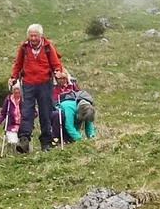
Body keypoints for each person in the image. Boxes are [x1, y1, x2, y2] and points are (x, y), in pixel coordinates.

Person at [9, 23, 66, 152]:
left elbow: (56, 63)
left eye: (35, 36)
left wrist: (57, 72)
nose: (33, 38)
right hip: (28, 84)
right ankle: (24, 140)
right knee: (26, 112)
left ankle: (46, 142)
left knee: (45, 113)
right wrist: (13, 77)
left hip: (45, 84)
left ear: (41, 35)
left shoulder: (48, 47)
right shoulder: (23, 48)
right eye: (31, 36)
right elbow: (18, 64)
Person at [57, 72, 96, 141]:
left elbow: (89, 125)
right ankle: (64, 139)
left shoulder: (87, 109)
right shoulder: (70, 108)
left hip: (75, 116)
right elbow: (69, 126)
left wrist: (92, 137)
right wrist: (79, 139)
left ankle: (72, 138)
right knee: (63, 118)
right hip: (59, 118)